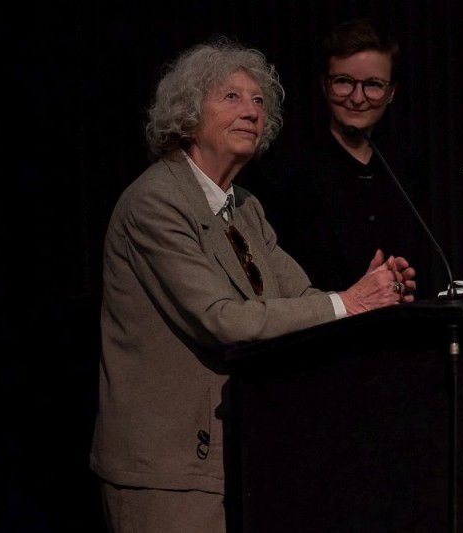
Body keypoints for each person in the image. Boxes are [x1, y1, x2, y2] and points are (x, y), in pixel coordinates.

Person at [89, 36, 417, 533]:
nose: (252, 111)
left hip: (242, 451)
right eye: (231, 97)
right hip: (167, 469)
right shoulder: (155, 202)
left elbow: (302, 297)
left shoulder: (244, 206)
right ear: (187, 113)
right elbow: (223, 320)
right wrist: (349, 302)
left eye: (259, 101)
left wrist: (373, 297)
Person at [238, 18, 433, 298]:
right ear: (324, 85)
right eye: (344, 82)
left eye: (373, 85)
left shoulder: (406, 164)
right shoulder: (285, 168)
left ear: (392, 93)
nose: (357, 97)